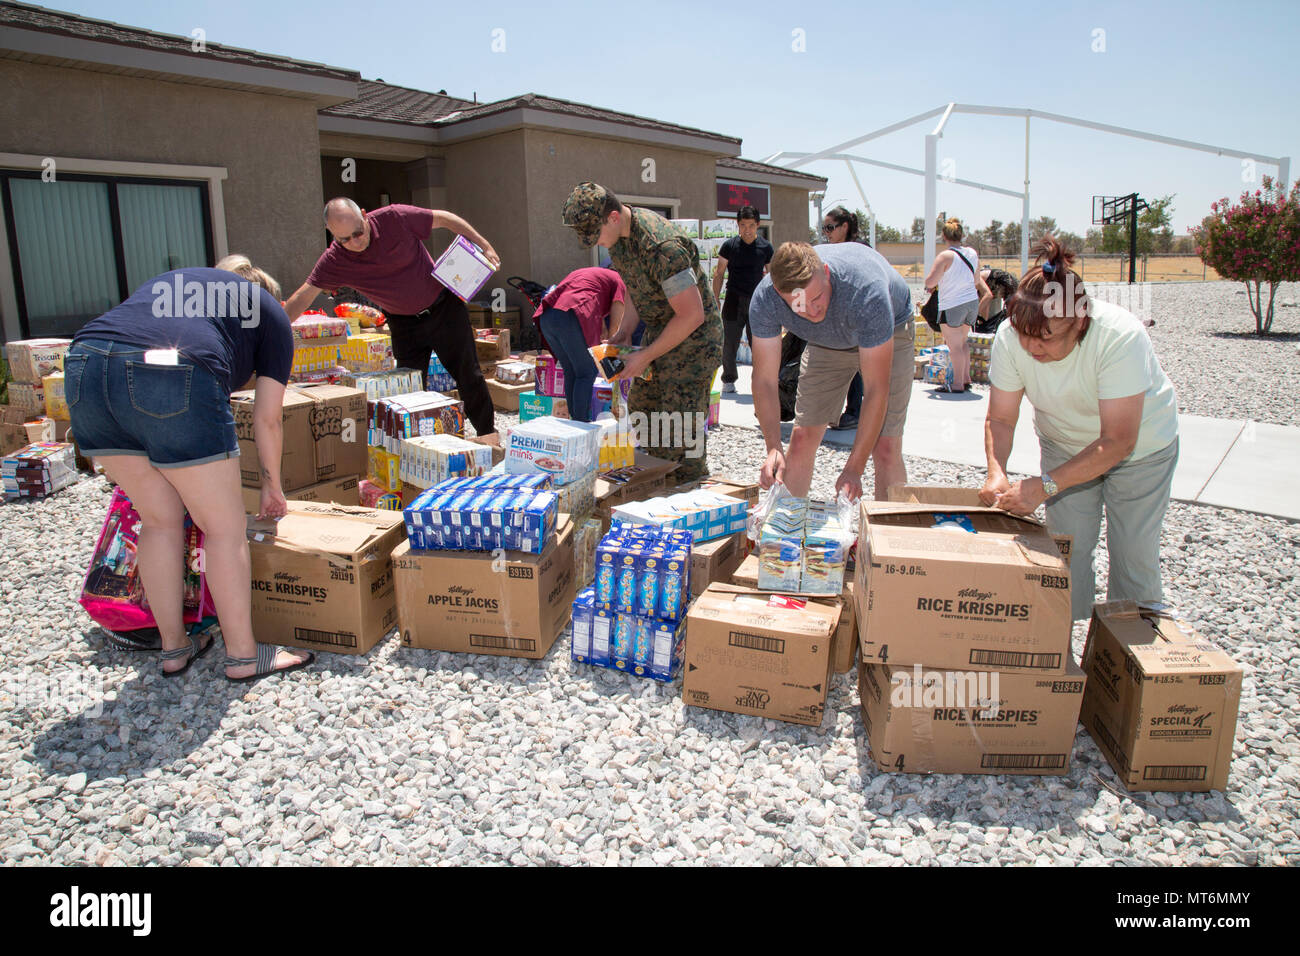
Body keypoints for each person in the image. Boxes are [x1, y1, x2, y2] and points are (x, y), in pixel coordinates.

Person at [64, 256, 314, 682]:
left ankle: (175, 648)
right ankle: (243, 656)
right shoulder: (271, 313)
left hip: (83, 365)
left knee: (159, 521)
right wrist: (271, 485)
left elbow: (129, 340)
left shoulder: (178, 285)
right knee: (222, 527)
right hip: (170, 373)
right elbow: (268, 417)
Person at [980, 236, 1180, 621]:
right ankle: (1063, 656)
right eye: (1023, 333)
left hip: (1141, 452)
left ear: (1080, 321)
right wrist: (996, 469)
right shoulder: (1010, 339)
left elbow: (1118, 441)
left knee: (1133, 553)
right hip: (1065, 444)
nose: (1031, 346)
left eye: (1046, 337)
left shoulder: (1119, 336)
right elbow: (1001, 418)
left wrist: (1045, 485)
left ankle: (1129, 651)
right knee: (1064, 550)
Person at [283, 199, 500, 441]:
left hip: (443, 308)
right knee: (409, 387)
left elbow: (446, 218)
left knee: (468, 374)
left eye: (358, 232)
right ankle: (421, 444)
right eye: (345, 239)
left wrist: (485, 246)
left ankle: (487, 436)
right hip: (403, 324)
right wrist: (273, 332)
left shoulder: (395, 218)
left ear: (365, 215)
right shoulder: (335, 260)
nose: (355, 242)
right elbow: (303, 296)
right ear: (332, 235)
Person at [562, 183, 723, 483]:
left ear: (612, 217)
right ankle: (658, 483)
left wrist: (646, 355)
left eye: (595, 234)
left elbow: (692, 315)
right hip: (662, 332)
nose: (596, 243)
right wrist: (625, 332)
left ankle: (690, 490)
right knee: (644, 410)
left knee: (681, 429)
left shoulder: (662, 246)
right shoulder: (619, 240)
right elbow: (637, 288)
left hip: (694, 342)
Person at [749, 241, 912, 500]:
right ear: (778, 292)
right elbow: (765, 380)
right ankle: (783, 533)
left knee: (885, 446)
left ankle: (889, 534)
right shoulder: (766, 298)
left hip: (888, 328)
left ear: (825, 272)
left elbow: (875, 390)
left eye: (817, 297)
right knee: (802, 438)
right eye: (798, 305)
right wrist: (773, 448)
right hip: (826, 341)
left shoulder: (867, 293)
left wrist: (854, 469)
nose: (812, 310)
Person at [532, 266, 629, 422]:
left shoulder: (594, 276)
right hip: (571, 315)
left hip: (547, 316)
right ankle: (581, 423)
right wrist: (613, 345)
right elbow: (618, 310)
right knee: (586, 372)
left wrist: (602, 332)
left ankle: (573, 422)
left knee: (571, 370)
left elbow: (595, 310)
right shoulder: (620, 280)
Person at [922, 217, 990, 393]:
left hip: (952, 304)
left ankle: (957, 384)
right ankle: (966, 378)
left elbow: (930, 282)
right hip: (971, 303)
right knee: (963, 342)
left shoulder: (946, 256)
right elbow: (976, 279)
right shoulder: (972, 253)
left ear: (944, 236)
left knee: (954, 346)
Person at [712, 205, 773, 395]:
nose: (747, 229)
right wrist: (716, 298)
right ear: (738, 225)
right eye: (743, 225)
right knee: (730, 342)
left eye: (751, 225)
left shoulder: (766, 247)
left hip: (758, 301)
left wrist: (773, 304)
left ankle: (760, 380)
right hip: (733, 300)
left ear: (758, 225)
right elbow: (719, 273)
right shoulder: (729, 246)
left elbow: (772, 277)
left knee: (759, 344)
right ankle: (728, 380)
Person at [821, 206, 868, 429]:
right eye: (824, 228)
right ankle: (844, 411)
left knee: (854, 366)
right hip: (842, 318)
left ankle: (855, 412)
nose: (826, 233)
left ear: (845, 227)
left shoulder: (859, 250)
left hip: (860, 316)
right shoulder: (836, 251)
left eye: (830, 227)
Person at [977, 265, 1019, 333]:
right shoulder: (979, 290)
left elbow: (988, 296)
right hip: (1000, 289)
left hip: (1008, 283)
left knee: (1012, 313)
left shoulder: (976, 278)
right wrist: (984, 320)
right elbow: (986, 303)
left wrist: (973, 315)